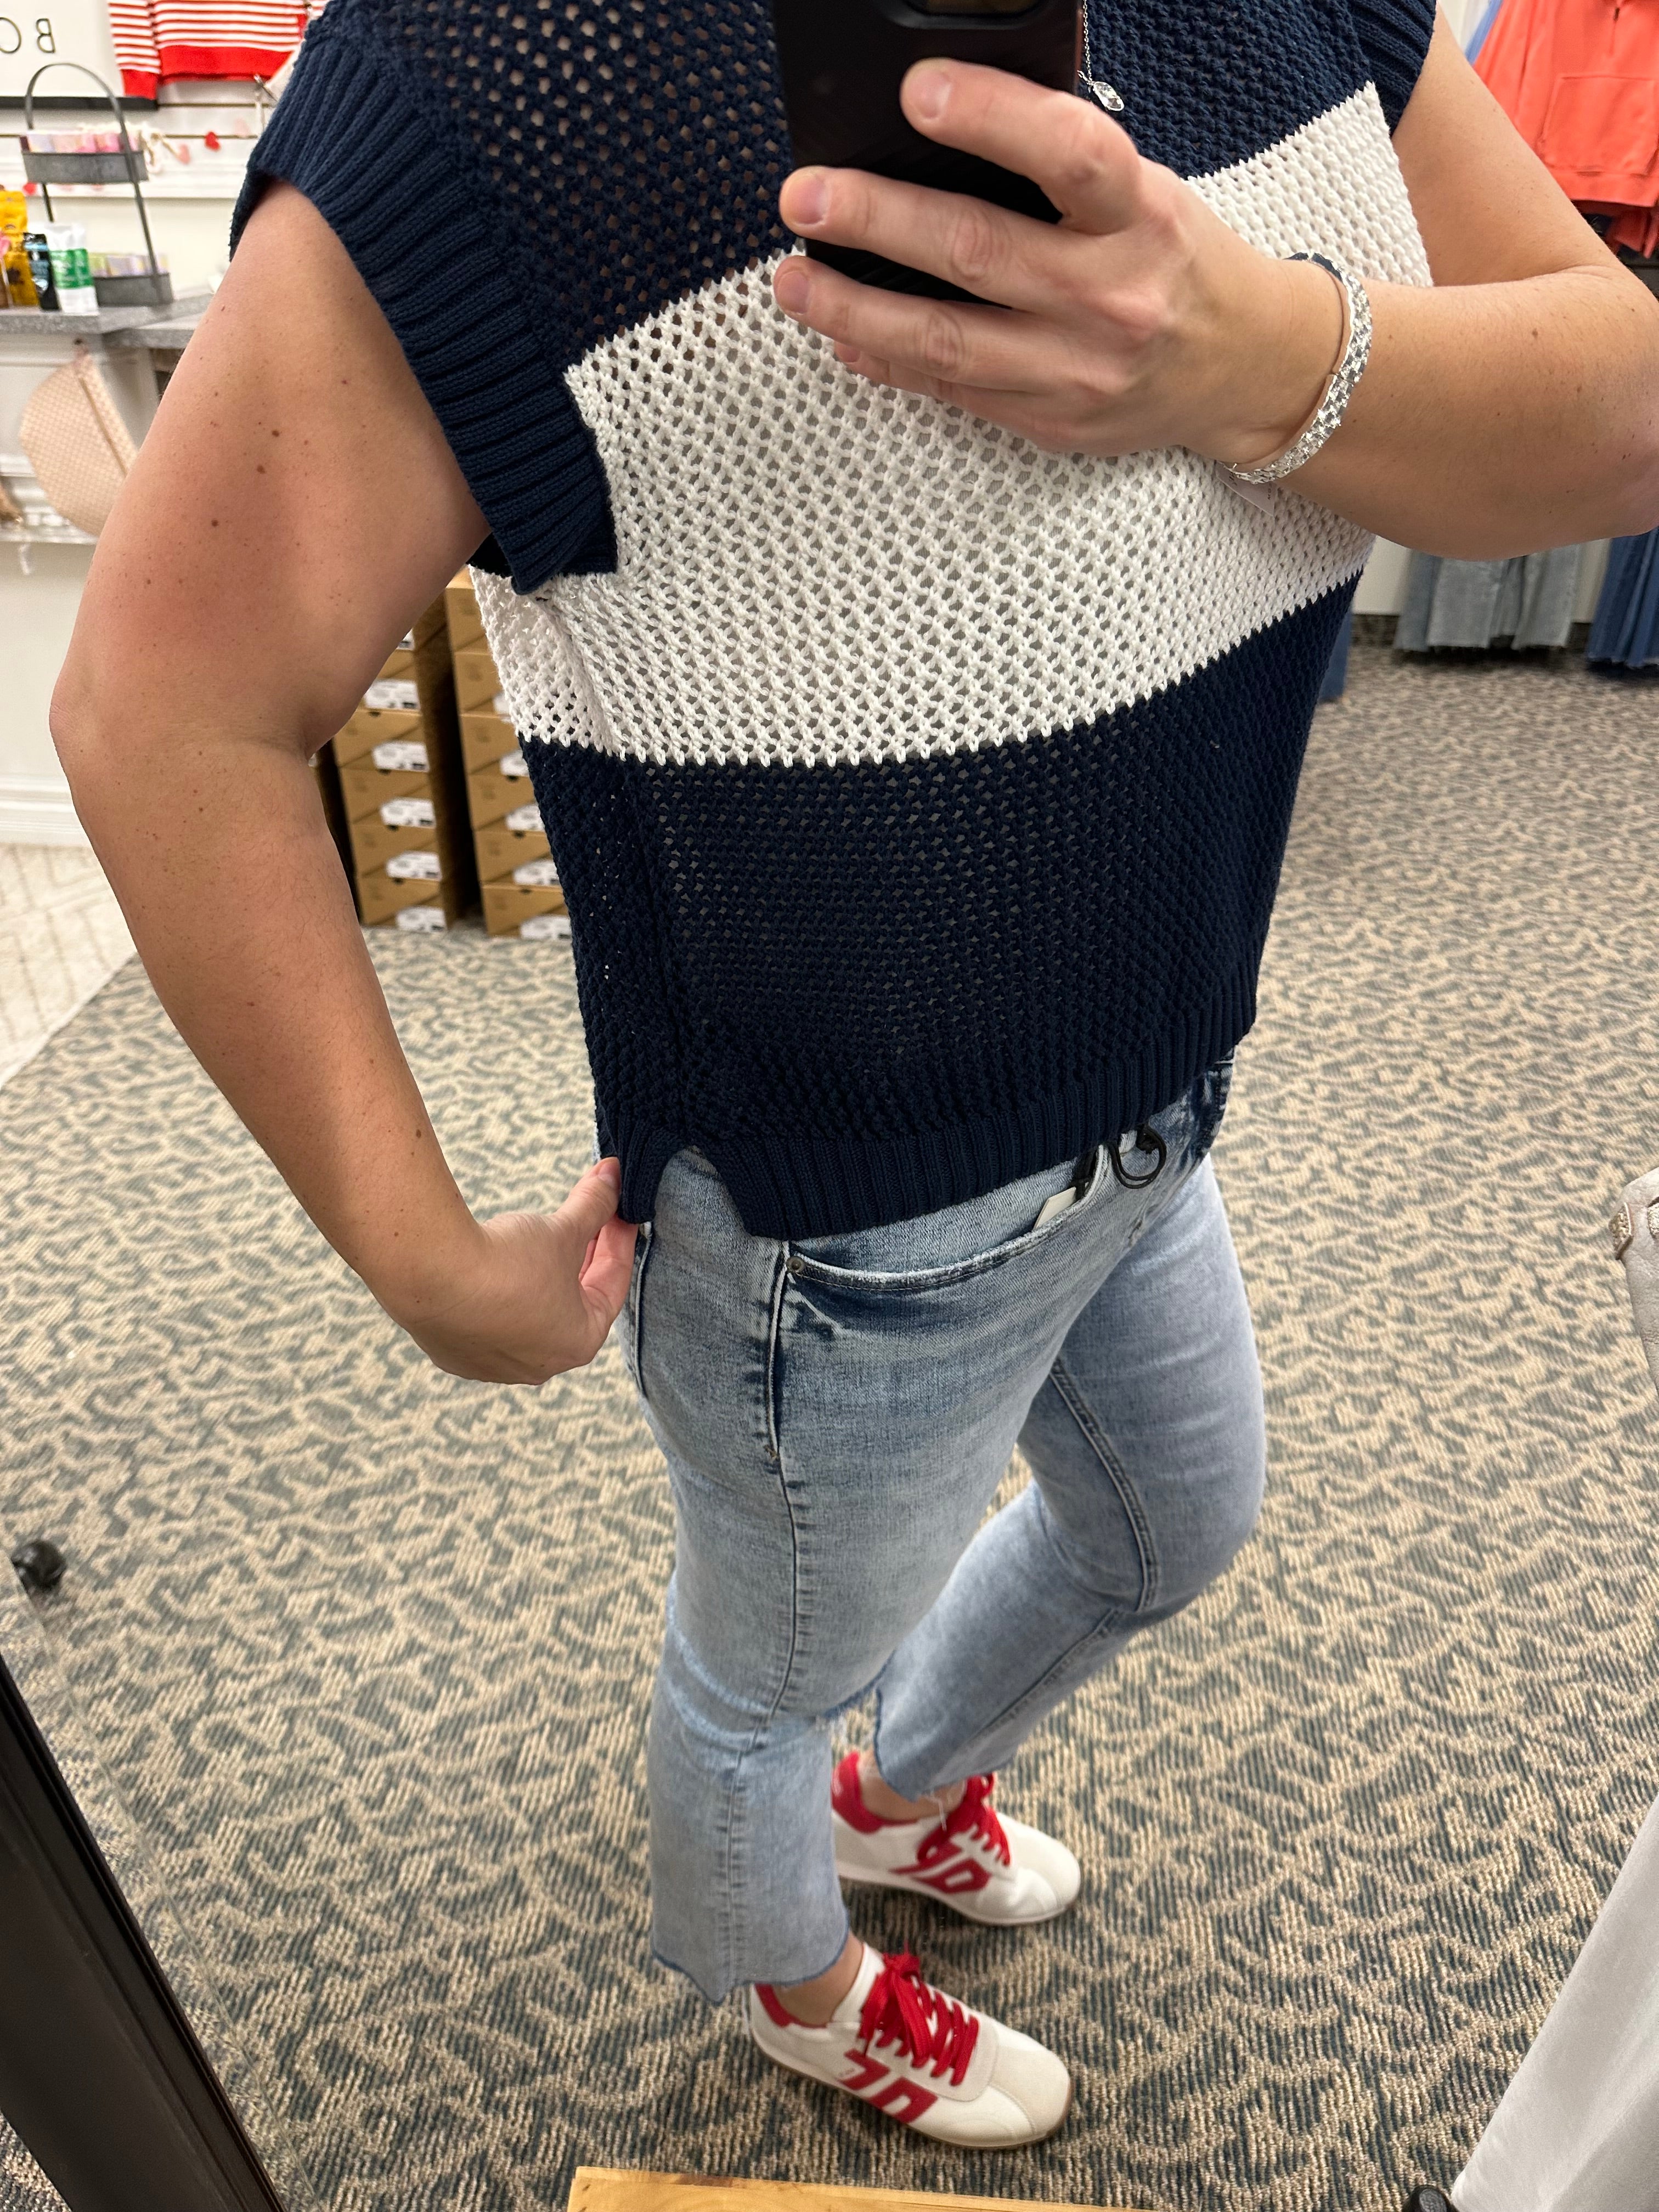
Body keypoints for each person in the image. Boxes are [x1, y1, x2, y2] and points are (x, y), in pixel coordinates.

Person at [52, 0, 1659, 2151]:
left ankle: (891, 1799)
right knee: (759, 1687)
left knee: (1174, 1523)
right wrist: (420, 1257)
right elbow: (167, 711)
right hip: (836, 1219)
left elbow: (1623, 404)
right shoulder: (489, 64)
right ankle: (788, 1974)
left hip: (1157, 1092)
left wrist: (1249, 357)